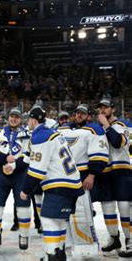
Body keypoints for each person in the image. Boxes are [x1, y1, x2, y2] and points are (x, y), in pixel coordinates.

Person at [21, 106, 84, 261]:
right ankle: (59, 254)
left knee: (48, 221)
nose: (27, 122)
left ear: (34, 120)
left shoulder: (40, 136)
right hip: (73, 183)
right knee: (59, 221)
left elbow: (37, 170)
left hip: (59, 184)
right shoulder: (53, 133)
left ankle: (52, 255)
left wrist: (25, 190)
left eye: (29, 119)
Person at [57, 104, 109, 256]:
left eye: (82, 113)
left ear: (88, 116)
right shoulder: (63, 130)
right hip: (63, 178)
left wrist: (92, 175)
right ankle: (64, 247)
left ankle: (88, 250)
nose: (79, 115)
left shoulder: (94, 130)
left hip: (81, 177)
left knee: (82, 214)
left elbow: (99, 155)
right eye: (77, 113)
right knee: (63, 214)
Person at [0, 107, 31, 250]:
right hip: (0, 173)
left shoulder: (28, 134)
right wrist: (4, 159)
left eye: (16, 116)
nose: (13, 119)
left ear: (21, 119)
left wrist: (15, 165)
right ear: (8, 117)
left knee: (23, 208)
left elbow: (28, 155)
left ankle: (24, 236)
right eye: (11, 116)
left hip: (20, 174)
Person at [96, 98, 131, 256]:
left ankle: (130, 241)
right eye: (100, 108)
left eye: (106, 107)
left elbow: (118, 142)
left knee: (124, 207)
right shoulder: (97, 128)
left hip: (121, 170)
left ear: (113, 109)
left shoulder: (124, 125)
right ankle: (114, 238)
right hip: (104, 172)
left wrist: (106, 125)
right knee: (107, 207)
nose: (102, 110)